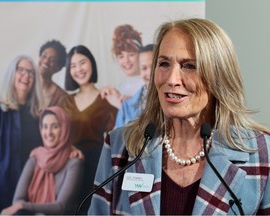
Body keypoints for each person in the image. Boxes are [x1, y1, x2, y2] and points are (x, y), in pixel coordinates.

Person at [88, 18, 270, 215]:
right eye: (164, 63)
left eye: (189, 66)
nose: (171, 79)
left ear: (219, 74)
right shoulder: (119, 146)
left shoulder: (261, 154)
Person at [0, 55, 43, 215]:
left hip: (30, 194)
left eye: (30, 72)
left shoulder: (38, 115)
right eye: (21, 70)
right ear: (12, 74)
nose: (26, 76)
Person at [62, 45, 118, 214]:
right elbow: (55, 133)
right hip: (69, 164)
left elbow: (117, 134)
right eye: (73, 66)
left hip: (97, 164)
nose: (78, 69)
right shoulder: (66, 100)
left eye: (82, 63)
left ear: (91, 64)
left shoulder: (106, 97)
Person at [0, 106, 84, 215]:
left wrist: (23, 206)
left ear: (64, 129)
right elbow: (17, 199)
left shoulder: (74, 162)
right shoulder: (35, 157)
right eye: (45, 127)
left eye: (55, 126)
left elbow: (61, 206)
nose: (48, 132)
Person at [100, 24, 144, 109]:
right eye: (121, 56)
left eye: (131, 54)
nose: (126, 61)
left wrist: (126, 105)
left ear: (140, 54)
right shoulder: (121, 86)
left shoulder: (149, 84)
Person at [115, 44, 154, 128]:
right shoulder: (127, 106)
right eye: (144, 68)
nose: (149, 73)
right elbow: (116, 139)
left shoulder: (174, 101)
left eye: (153, 67)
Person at [38, 39, 68, 108]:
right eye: (44, 56)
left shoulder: (62, 97)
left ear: (58, 68)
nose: (46, 61)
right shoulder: (26, 85)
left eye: (52, 60)